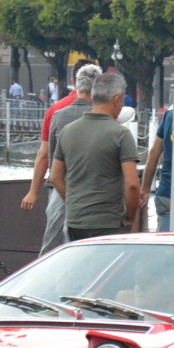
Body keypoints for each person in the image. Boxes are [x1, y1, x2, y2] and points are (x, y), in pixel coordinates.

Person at [51, 71, 140, 241]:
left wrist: (73, 204)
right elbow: (132, 185)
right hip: (109, 222)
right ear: (117, 100)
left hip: (75, 221)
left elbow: (55, 177)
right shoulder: (121, 134)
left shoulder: (68, 131)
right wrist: (130, 217)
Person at [38, 63, 102, 254]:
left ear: (76, 85)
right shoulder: (103, 117)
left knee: (52, 246)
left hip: (60, 188)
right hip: (92, 191)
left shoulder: (58, 115)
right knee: (89, 249)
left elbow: (49, 156)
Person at [20, 59, 95, 222]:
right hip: (93, 191)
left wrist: (33, 192)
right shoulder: (104, 110)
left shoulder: (56, 110)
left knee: (54, 239)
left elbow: (44, 154)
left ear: (72, 81)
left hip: (60, 187)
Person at [140, 107, 174, 232]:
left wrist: (145, 188)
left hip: (166, 191)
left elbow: (154, 152)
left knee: (165, 243)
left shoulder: (170, 115)